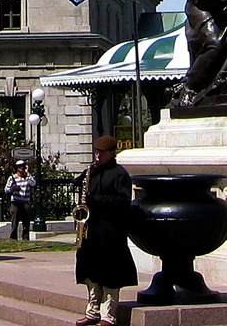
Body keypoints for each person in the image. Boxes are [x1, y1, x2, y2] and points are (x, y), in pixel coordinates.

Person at [73, 136, 137, 326]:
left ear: (112, 153)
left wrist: (95, 200)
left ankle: (108, 315)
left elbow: (122, 202)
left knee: (110, 272)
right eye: (96, 151)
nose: (97, 155)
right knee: (89, 269)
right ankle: (92, 311)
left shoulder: (120, 174)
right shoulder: (92, 172)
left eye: (101, 152)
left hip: (110, 231)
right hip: (91, 229)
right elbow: (83, 191)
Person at [4, 160, 36, 240]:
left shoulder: (28, 177)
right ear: (17, 168)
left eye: (23, 166)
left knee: (26, 222)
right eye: (20, 166)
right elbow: (6, 190)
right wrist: (13, 189)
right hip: (16, 202)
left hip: (26, 202)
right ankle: (13, 238)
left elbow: (33, 184)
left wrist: (27, 173)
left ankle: (25, 238)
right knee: (14, 222)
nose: (22, 168)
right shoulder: (12, 178)